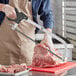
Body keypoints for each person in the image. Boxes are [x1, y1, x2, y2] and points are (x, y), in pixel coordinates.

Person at [0, 0, 54, 66]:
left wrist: (48, 36)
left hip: (27, 47)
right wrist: (2, 7)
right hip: (3, 46)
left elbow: (47, 14)